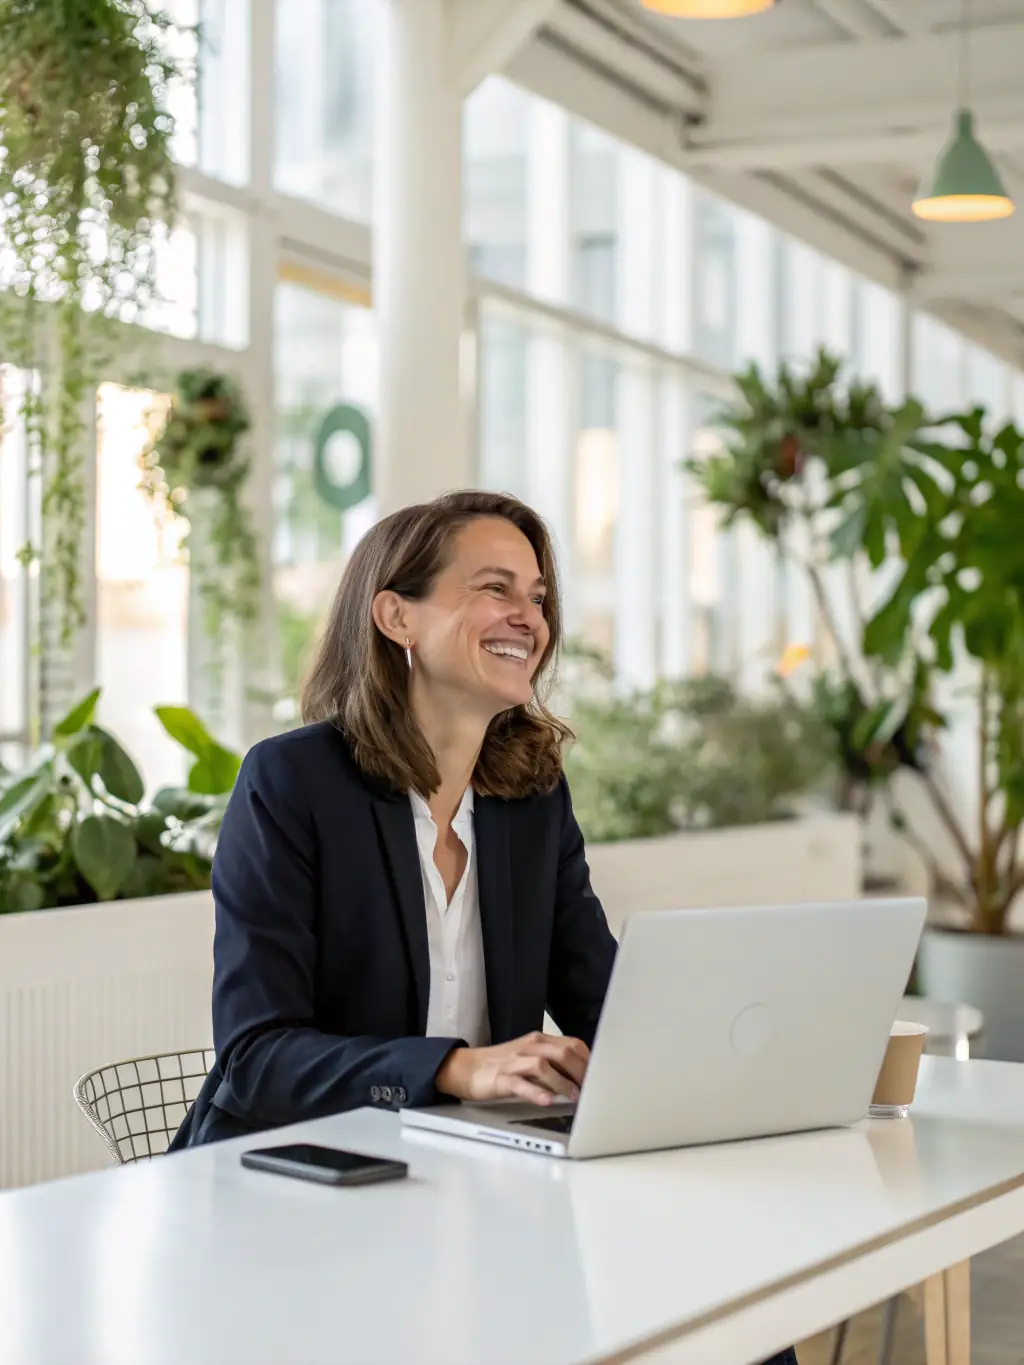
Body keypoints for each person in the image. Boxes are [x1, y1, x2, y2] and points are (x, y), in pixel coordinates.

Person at [167, 489, 795, 1365]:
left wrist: (734, 1053)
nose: (527, 617)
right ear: (397, 616)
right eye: (495, 588)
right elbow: (258, 1055)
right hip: (300, 1192)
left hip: (469, 1181)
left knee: (727, 1301)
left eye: (538, 596)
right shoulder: (291, 783)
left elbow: (603, 999)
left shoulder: (529, 795)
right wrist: (460, 1067)